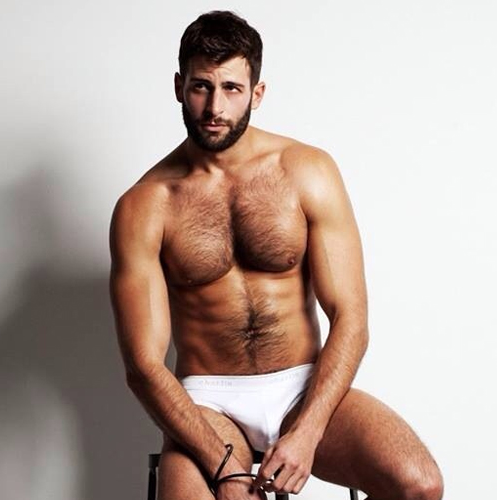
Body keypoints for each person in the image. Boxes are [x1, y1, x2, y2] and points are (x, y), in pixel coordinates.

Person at [109, 10, 444, 500]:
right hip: (208, 402)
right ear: (179, 87)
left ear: (257, 93)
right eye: (201, 87)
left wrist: (307, 432)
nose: (215, 107)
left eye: (232, 88)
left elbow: (351, 318)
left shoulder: (306, 171)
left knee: (419, 484)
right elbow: (143, 366)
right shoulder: (145, 206)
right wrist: (224, 467)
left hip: (303, 387)